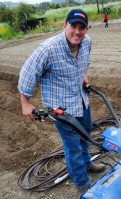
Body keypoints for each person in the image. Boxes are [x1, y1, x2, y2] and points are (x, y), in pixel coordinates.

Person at [18, 9, 106, 191]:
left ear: (86, 29)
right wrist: (25, 103)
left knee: (85, 134)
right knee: (73, 146)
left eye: (82, 27)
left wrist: (84, 75)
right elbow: (27, 74)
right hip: (62, 109)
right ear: (64, 25)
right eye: (73, 26)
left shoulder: (86, 42)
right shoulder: (48, 49)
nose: (77, 31)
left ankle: (88, 164)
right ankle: (82, 181)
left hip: (81, 100)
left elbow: (85, 62)